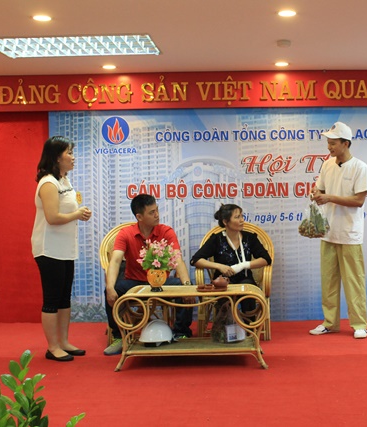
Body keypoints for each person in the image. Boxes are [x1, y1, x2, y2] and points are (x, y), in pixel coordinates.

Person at [103, 194, 194, 355]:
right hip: (135, 283)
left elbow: (177, 259)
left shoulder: (166, 231)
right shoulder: (126, 233)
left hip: (160, 282)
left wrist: (187, 286)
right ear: (139, 217)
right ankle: (119, 337)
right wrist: (110, 287)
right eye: (152, 212)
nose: (157, 215)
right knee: (111, 290)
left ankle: (181, 332)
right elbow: (115, 261)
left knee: (185, 287)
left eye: (157, 210)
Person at [31, 136, 92, 362]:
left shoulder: (65, 180)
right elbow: (52, 217)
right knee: (52, 299)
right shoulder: (48, 182)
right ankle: (53, 347)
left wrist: (79, 213)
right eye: (69, 153)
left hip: (66, 249)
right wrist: (77, 214)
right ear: (57, 157)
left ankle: (64, 341)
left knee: (65, 298)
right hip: (49, 249)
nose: (73, 157)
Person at [309, 121, 367, 339]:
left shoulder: (360, 167)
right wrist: (316, 193)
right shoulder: (327, 165)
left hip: (350, 234)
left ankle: (359, 324)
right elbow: (320, 188)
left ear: (346, 143)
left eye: (333, 143)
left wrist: (329, 198)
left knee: (354, 281)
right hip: (328, 232)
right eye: (328, 143)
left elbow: (359, 200)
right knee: (328, 281)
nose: (329, 147)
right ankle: (330, 322)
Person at [190, 204, 272, 316]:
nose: (242, 220)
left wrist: (244, 265)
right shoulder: (217, 239)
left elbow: (266, 259)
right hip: (223, 282)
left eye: (242, 216)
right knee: (224, 295)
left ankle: (249, 324)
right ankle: (224, 325)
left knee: (248, 290)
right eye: (237, 217)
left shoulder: (249, 238)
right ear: (225, 222)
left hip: (245, 279)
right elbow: (195, 260)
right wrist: (219, 266)